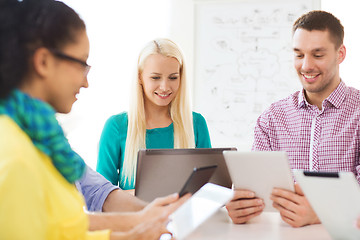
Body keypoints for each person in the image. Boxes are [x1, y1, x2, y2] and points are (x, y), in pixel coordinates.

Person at [0, 0, 188, 239]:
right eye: (81, 63)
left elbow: (63, 224)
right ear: (44, 62)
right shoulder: (15, 156)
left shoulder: (44, 137)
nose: (85, 81)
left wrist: (142, 224)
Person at [226, 10, 360, 228]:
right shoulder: (272, 119)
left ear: (340, 54)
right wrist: (241, 206)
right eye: (299, 55)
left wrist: (320, 213)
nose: (306, 66)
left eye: (318, 55)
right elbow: (255, 191)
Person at [97, 38, 212, 190]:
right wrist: (152, 196)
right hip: (135, 214)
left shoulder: (195, 124)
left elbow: (210, 189)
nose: (164, 87)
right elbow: (101, 196)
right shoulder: (116, 126)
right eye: (155, 77)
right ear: (140, 77)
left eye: (173, 78)